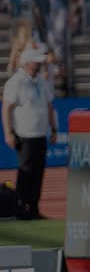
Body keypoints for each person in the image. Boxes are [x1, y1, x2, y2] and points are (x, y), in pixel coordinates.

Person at [2, 47, 57, 220]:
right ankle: (20, 207)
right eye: (37, 61)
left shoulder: (41, 81)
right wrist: (8, 132)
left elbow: (49, 106)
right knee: (26, 172)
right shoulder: (15, 82)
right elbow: (7, 108)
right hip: (24, 135)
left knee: (38, 173)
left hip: (40, 134)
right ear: (27, 63)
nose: (40, 64)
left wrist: (53, 128)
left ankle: (33, 207)